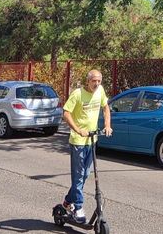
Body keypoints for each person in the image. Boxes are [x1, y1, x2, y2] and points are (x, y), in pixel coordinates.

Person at [61, 69, 112, 223]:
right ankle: (78, 206)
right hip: (78, 140)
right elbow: (66, 113)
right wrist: (78, 130)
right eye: (93, 81)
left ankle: (67, 202)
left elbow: (106, 108)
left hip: (92, 139)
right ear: (88, 81)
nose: (96, 84)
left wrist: (108, 125)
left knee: (85, 175)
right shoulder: (77, 94)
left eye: (98, 81)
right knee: (78, 176)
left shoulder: (101, 91)